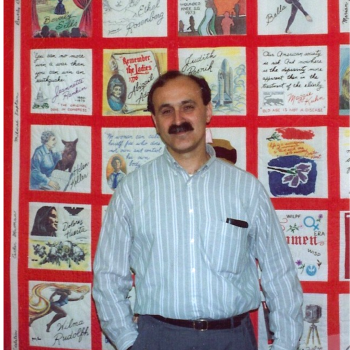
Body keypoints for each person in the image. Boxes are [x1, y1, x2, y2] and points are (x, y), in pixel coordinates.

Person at [93, 71, 304, 350]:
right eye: (166, 111)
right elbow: (108, 276)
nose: (178, 120)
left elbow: (280, 274)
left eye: (187, 107)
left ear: (207, 111)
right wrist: (129, 342)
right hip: (157, 339)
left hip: (232, 339)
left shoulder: (246, 189)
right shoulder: (132, 191)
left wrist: (286, 345)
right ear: (155, 122)